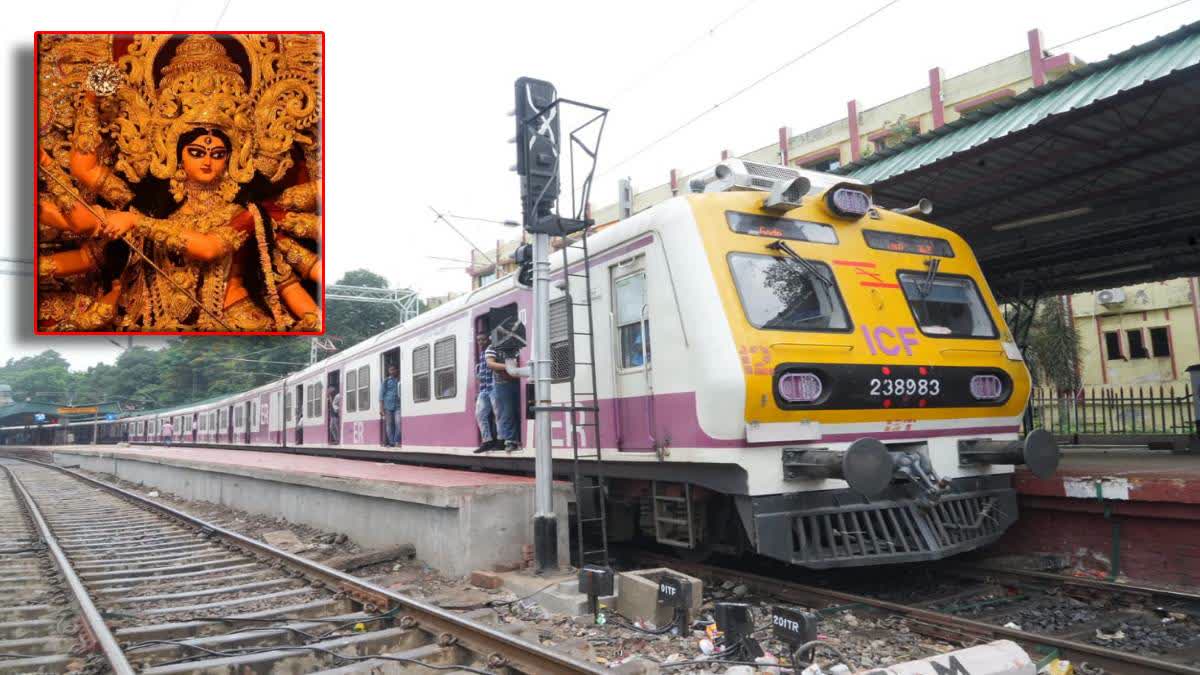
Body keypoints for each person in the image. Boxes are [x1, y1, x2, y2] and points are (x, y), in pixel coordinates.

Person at [486, 341, 522, 452]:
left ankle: (518, 439)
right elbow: (490, 364)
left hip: (520, 381)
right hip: (503, 384)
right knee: (507, 412)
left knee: (518, 412)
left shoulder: (518, 344)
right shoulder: (492, 347)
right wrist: (509, 366)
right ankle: (510, 441)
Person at [473, 333, 499, 453]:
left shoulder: (492, 350)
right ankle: (487, 441)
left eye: (483, 339)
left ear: (488, 339)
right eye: (478, 340)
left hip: (493, 387)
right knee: (480, 414)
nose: (480, 342)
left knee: (498, 415)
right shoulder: (482, 354)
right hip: (484, 389)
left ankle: (500, 441)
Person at [380, 365, 401, 447]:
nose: (392, 372)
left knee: (398, 423)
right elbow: (381, 395)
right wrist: (381, 408)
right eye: (390, 370)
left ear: (396, 370)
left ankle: (396, 441)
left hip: (398, 405)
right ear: (388, 371)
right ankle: (392, 442)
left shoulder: (399, 380)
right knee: (389, 425)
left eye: (393, 370)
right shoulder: (386, 381)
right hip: (388, 406)